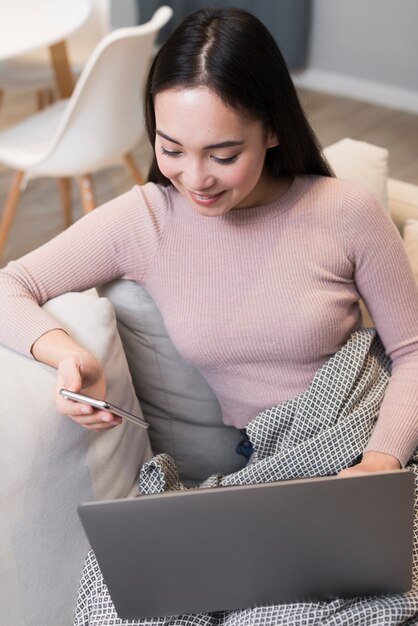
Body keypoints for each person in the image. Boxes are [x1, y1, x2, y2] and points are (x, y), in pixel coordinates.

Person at [0, 6, 417, 477]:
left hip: (379, 437)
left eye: (223, 154)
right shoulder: (146, 220)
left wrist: (382, 463)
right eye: (171, 149)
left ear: (273, 129)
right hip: (277, 461)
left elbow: (411, 350)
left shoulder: (346, 210)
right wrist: (69, 356)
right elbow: (10, 285)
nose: (195, 179)